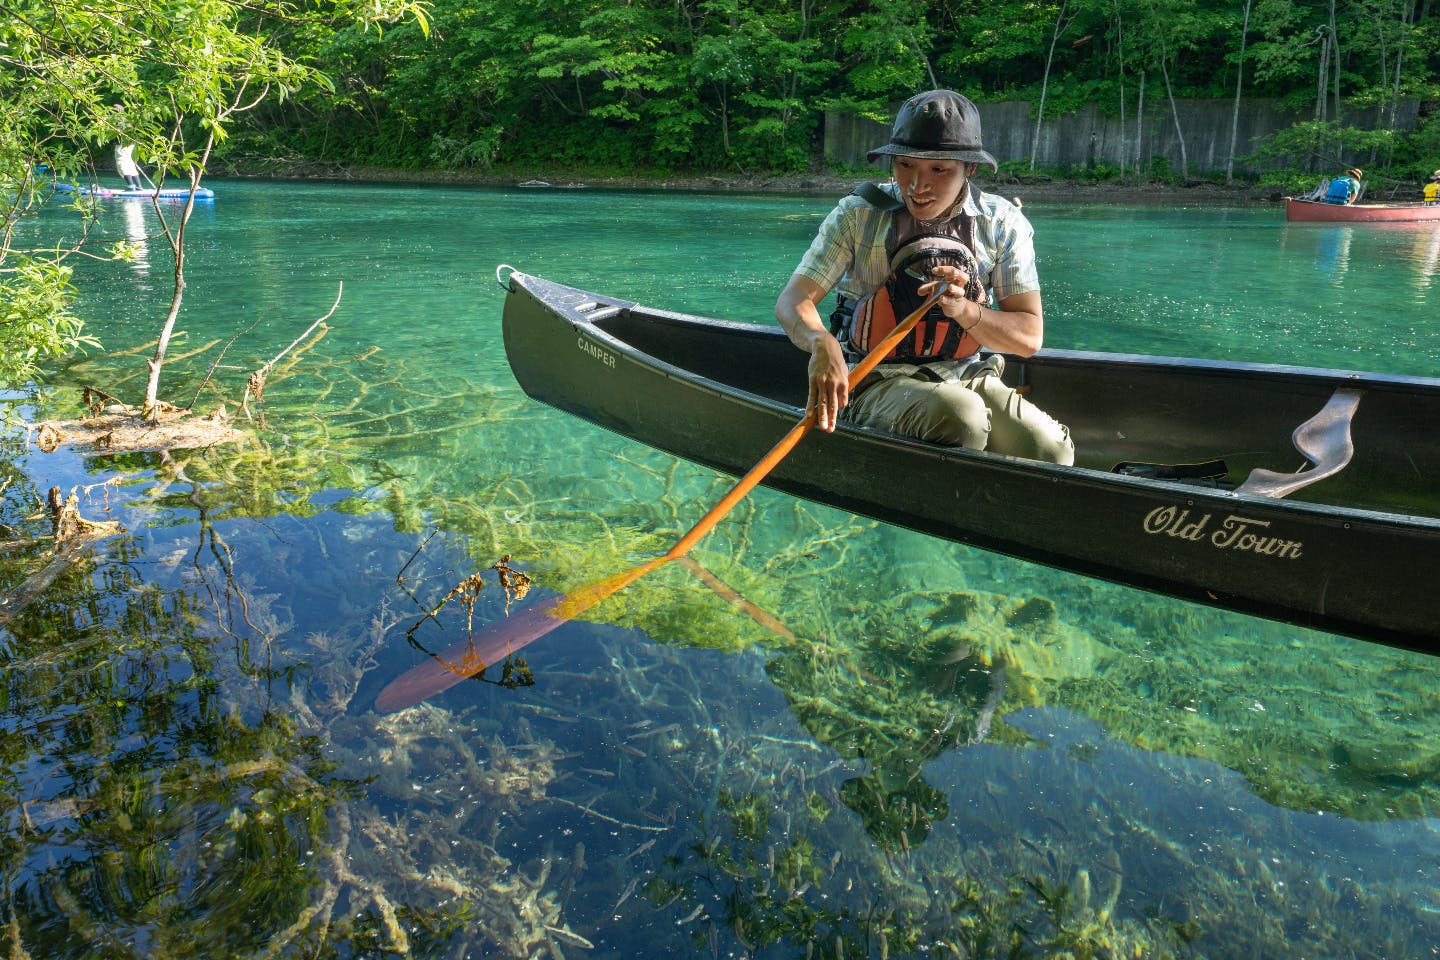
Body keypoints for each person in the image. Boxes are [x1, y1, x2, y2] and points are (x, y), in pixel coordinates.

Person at [774, 89, 1074, 465]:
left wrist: (965, 310)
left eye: (939, 170)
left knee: (1052, 451)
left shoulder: (1003, 223)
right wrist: (820, 342)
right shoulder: (857, 214)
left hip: (966, 374)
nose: (917, 185)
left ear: (971, 168)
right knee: (963, 417)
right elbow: (793, 300)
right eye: (905, 165)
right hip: (873, 378)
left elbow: (1029, 338)